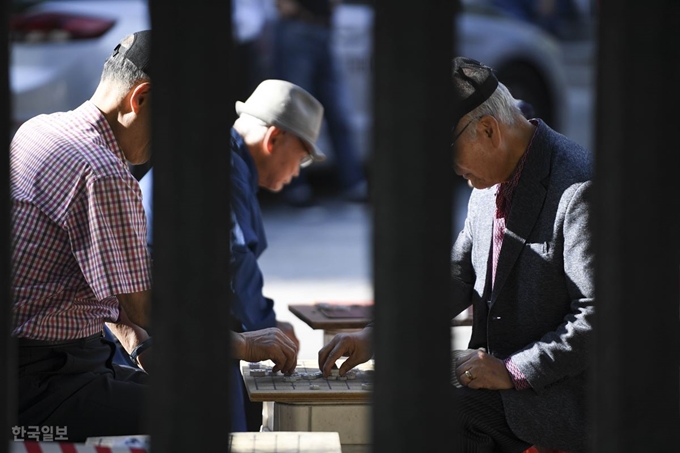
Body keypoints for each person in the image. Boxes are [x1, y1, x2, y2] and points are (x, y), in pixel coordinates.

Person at [10, 30, 298, 443]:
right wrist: (245, 345)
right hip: (43, 383)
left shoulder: (40, 130)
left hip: (57, 359)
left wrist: (140, 345)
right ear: (140, 99)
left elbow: (103, 288)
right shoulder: (104, 171)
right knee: (206, 414)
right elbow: (143, 307)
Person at [319, 56, 594, 453]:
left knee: (449, 414)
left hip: (560, 392)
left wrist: (515, 370)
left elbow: (599, 313)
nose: (451, 170)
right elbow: (454, 277)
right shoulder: (486, 183)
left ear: (488, 130)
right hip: (496, 377)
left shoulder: (578, 187)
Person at [138, 78, 328, 430]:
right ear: (274, 139)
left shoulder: (221, 156)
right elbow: (234, 266)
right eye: (300, 161)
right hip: (161, 328)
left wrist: (267, 326)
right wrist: (266, 329)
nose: (296, 174)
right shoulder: (224, 171)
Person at [270, 0, 368, 206]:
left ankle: (353, 183)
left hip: (322, 28)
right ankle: (295, 187)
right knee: (296, 112)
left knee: (337, 111)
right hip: (298, 27)